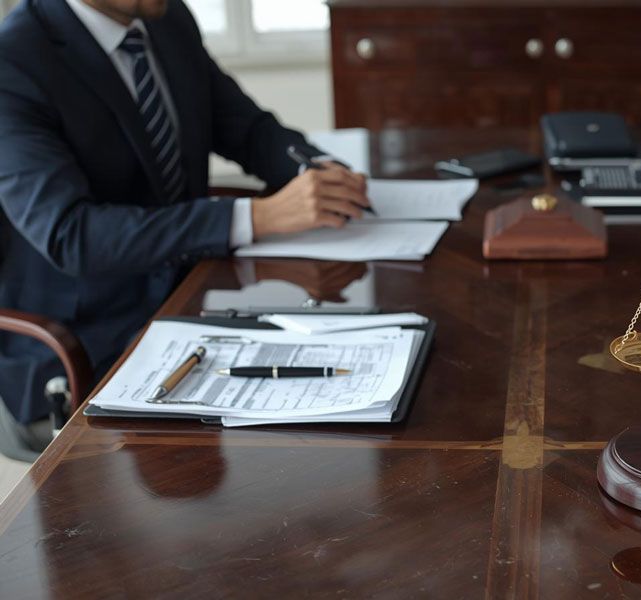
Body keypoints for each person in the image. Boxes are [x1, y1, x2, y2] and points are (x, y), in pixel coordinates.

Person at [0, 0, 373, 442]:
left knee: (350, 391)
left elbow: (247, 129)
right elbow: (73, 235)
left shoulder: (167, 19)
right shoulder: (15, 63)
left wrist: (320, 172)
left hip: (196, 295)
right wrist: (255, 216)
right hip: (89, 341)